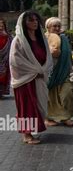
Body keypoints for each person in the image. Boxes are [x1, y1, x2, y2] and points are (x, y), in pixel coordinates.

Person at [9, 11, 53, 144]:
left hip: (39, 78)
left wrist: (42, 70)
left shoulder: (41, 39)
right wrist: (34, 71)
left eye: (35, 20)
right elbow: (15, 61)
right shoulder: (18, 40)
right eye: (30, 20)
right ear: (24, 23)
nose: (34, 22)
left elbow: (48, 57)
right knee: (26, 107)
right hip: (25, 80)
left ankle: (33, 130)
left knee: (39, 106)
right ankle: (26, 135)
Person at [44, 17, 73, 127]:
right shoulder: (43, 39)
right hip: (49, 74)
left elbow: (68, 56)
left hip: (66, 72)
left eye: (59, 26)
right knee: (51, 98)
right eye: (54, 26)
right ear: (48, 27)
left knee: (67, 93)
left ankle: (66, 117)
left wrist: (71, 71)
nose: (57, 28)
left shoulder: (64, 39)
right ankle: (48, 118)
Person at [0, 19, 12, 98]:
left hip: (5, 59)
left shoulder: (8, 36)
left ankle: (1, 91)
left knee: (3, 77)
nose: (0, 27)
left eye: (2, 25)